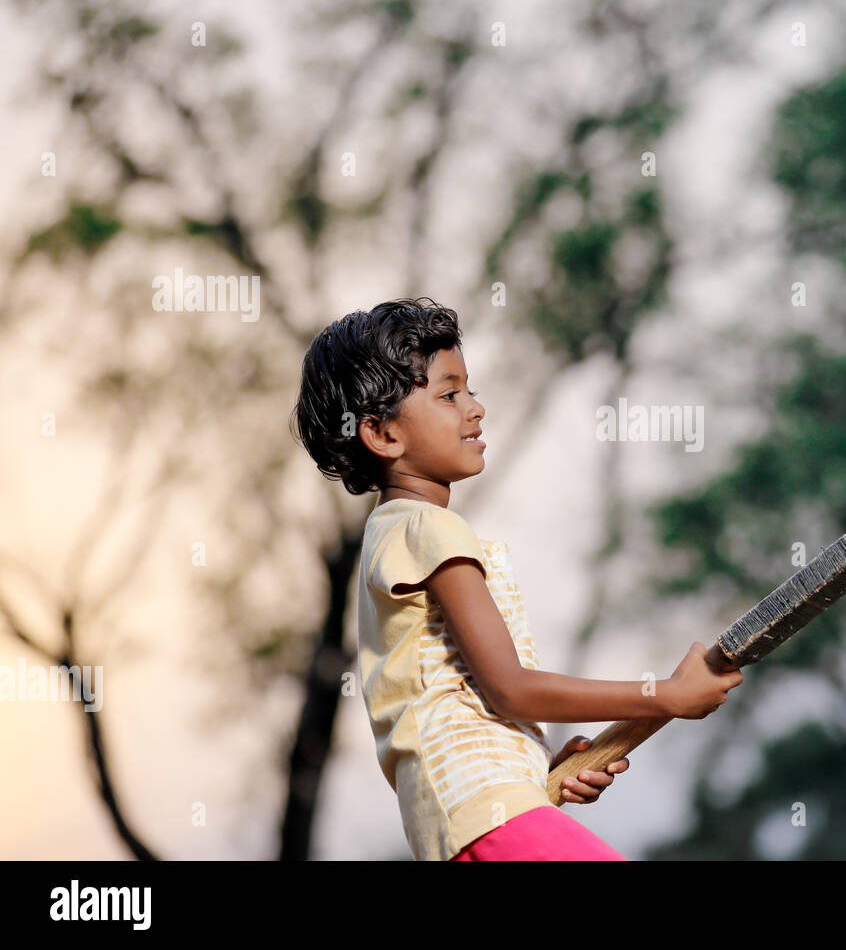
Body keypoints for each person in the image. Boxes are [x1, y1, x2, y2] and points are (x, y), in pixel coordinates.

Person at [290, 296, 743, 860]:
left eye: (469, 389)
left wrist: (536, 768)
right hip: (484, 814)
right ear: (382, 435)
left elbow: (462, 695)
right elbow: (510, 687)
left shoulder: (397, 532)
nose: (476, 408)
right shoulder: (427, 529)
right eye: (449, 394)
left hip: (481, 813)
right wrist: (666, 696)